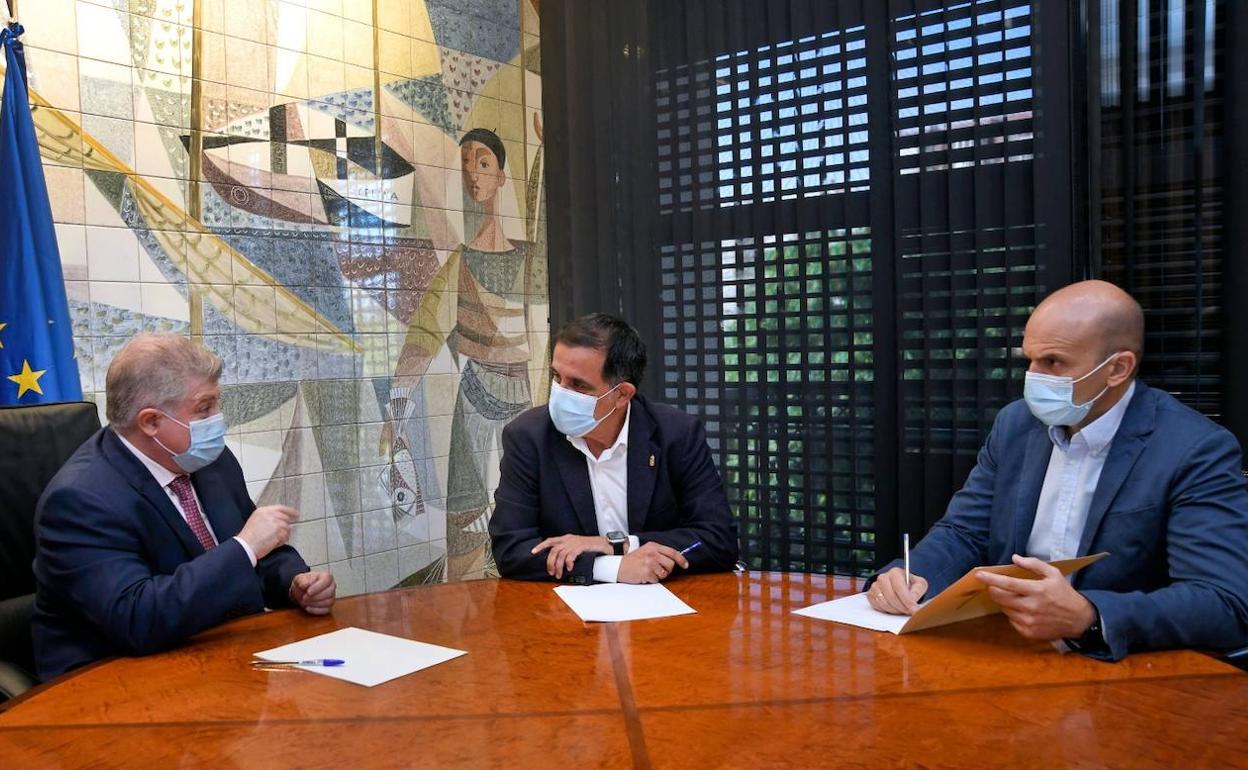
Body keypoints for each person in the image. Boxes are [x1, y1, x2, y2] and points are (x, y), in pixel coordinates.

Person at [867, 280, 1248, 660]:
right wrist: (909, 575)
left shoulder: (1193, 448)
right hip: (1009, 649)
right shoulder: (1016, 423)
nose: (1033, 377)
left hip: (1125, 666)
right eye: (1029, 360)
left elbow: (1224, 602)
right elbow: (965, 532)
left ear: (1118, 368)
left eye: (1053, 362)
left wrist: (1090, 616)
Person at [33, 334, 335, 680]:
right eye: (204, 408)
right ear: (150, 422)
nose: (219, 419)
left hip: (216, 654)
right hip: (114, 679)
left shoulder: (209, 460)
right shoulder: (80, 500)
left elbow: (257, 551)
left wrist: (294, 583)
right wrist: (246, 547)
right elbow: (137, 618)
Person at [489, 313, 740, 584]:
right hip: (569, 606)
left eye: (578, 385)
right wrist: (610, 567)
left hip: (664, 601)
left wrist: (615, 544)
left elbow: (717, 540)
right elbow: (511, 550)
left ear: (622, 395)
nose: (560, 393)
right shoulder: (528, 437)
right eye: (557, 377)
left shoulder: (676, 434)